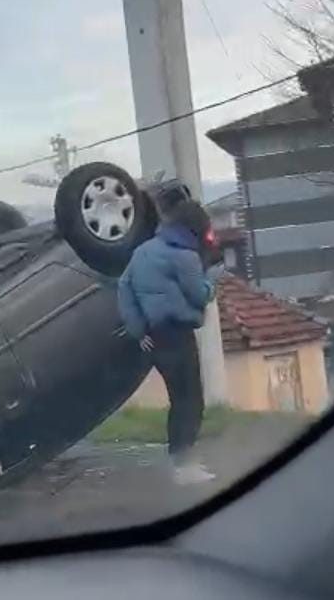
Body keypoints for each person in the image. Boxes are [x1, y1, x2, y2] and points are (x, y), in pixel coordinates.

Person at [117, 199, 218, 485]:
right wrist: (212, 284)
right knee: (191, 399)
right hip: (179, 333)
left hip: (155, 337)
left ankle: (180, 464)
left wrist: (139, 331)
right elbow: (199, 294)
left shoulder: (143, 252)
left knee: (178, 398)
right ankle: (184, 465)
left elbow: (124, 288)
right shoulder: (185, 257)